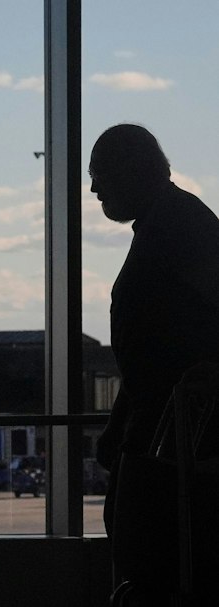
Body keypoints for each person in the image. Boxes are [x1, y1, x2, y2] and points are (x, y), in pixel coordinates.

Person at [90, 123, 219, 540]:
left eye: (99, 175)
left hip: (177, 441)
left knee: (149, 553)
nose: (94, 190)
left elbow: (156, 353)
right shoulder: (174, 221)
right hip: (168, 432)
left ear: (131, 171)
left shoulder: (177, 228)